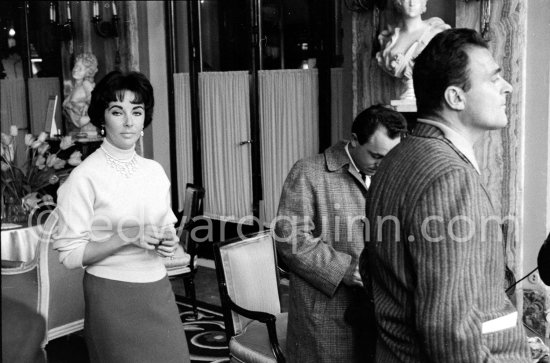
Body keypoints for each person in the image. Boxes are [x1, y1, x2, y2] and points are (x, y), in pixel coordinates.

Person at [361, 28, 531, 362]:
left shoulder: (396, 158)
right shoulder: (450, 176)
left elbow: (372, 271)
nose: (507, 87)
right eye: (494, 79)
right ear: (455, 97)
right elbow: (449, 331)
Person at [53, 71, 190, 363]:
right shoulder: (83, 177)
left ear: (144, 119)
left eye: (136, 112)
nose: (129, 121)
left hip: (157, 289)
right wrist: (127, 236)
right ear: (102, 119)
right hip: (111, 296)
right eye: (118, 111)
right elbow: (70, 254)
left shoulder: (155, 172)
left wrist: (169, 243)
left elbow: (167, 230)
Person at [274, 104, 407, 363]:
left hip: (378, 310)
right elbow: (291, 239)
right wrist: (343, 269)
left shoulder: (389, 173)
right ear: (354, 140)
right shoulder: (308, 171)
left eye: (390, 157)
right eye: (376, 156)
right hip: (326, 313)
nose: (383, 164)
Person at [376, 0, 449, 100]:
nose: (412, 3)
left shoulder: (436, 33)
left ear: (424, 3)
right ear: (399, 3)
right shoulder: (390, 42)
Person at [62, 53, 98, 134]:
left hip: (87, 131)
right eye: (75, 66)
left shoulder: (86, 84)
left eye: (80, 68)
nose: (76, 69)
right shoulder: (75, 87)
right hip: (75, 130)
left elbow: (94, 101)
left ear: (88, 72)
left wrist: (87, 105)